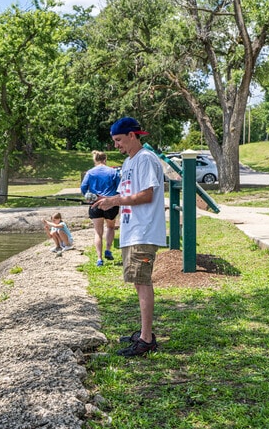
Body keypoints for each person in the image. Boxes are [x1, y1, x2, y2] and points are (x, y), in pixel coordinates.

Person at [92, 116, 166, 357]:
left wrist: (116, 200)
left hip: (143, 231)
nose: (116, 146)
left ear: (133, 136)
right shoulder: (129, 162)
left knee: (142, 282)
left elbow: (146, 195)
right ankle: (144, 333)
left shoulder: (145, 159)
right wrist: (107, 204)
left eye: (119, 140)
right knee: (137, 281)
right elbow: (127, 195)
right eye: (114, 141)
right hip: (131, 230)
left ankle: (146, 339)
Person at [80, 150, 121, 267]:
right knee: (111, 227)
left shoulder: (90, 172)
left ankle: (99, 258)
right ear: (105, 159)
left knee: (98, 232)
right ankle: (108, 249)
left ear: (95, 160)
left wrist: (91, 196)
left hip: (95, 204)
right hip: (111, 203)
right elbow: (120, 187)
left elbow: (83, 188)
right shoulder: (113, 172)